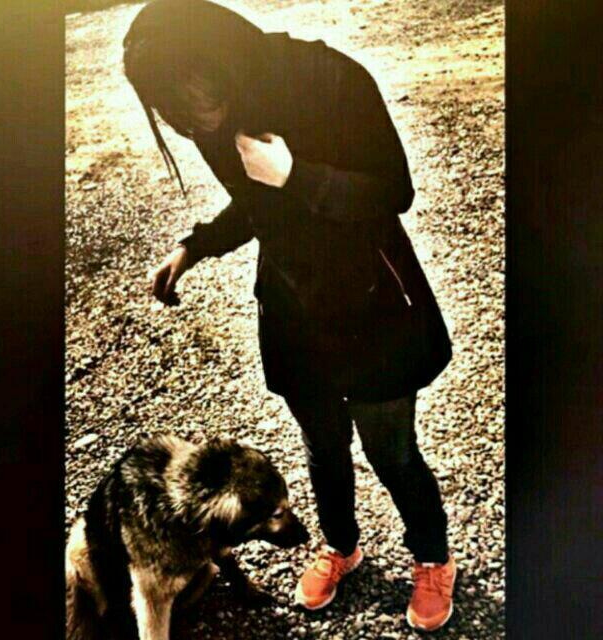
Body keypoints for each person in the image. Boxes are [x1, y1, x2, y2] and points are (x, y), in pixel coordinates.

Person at [123, 0, 456, 632]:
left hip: (374, 305)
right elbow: (255, 201)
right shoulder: (211, 116)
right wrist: (195, 247)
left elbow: (394, 191)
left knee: (391, 451)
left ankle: (433, 557)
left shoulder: (329, 77)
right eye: (171, 110)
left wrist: (298, 175)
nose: (192, 122)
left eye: (191, 97)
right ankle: (342, 546)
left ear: (220, 57)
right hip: (292, 308)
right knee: (322, 447)